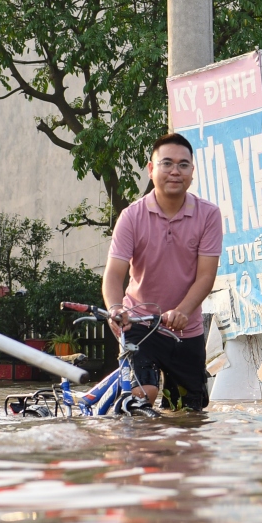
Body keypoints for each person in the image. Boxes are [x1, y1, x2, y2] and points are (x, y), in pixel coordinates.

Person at [103, 133, 222, 411]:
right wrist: (115, 308)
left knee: (189, 415)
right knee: (143, 394)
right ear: (151, 168)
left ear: (192, 171)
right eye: (166, 163)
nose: (174, 171)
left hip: (186, 330)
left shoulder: (209, 215)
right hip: (139, 325)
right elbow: (113, 274)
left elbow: (206, 275)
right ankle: (138, 452)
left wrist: (183, 310)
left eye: (183, 165)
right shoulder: (131, 216)